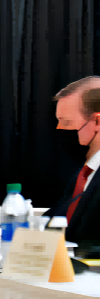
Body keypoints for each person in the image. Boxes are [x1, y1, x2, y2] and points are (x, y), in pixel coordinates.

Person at [50, 78, 100, 250]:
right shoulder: (85, 174)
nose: (59, 128)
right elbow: (53, 220)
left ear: (97, 122)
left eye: (67, 122)